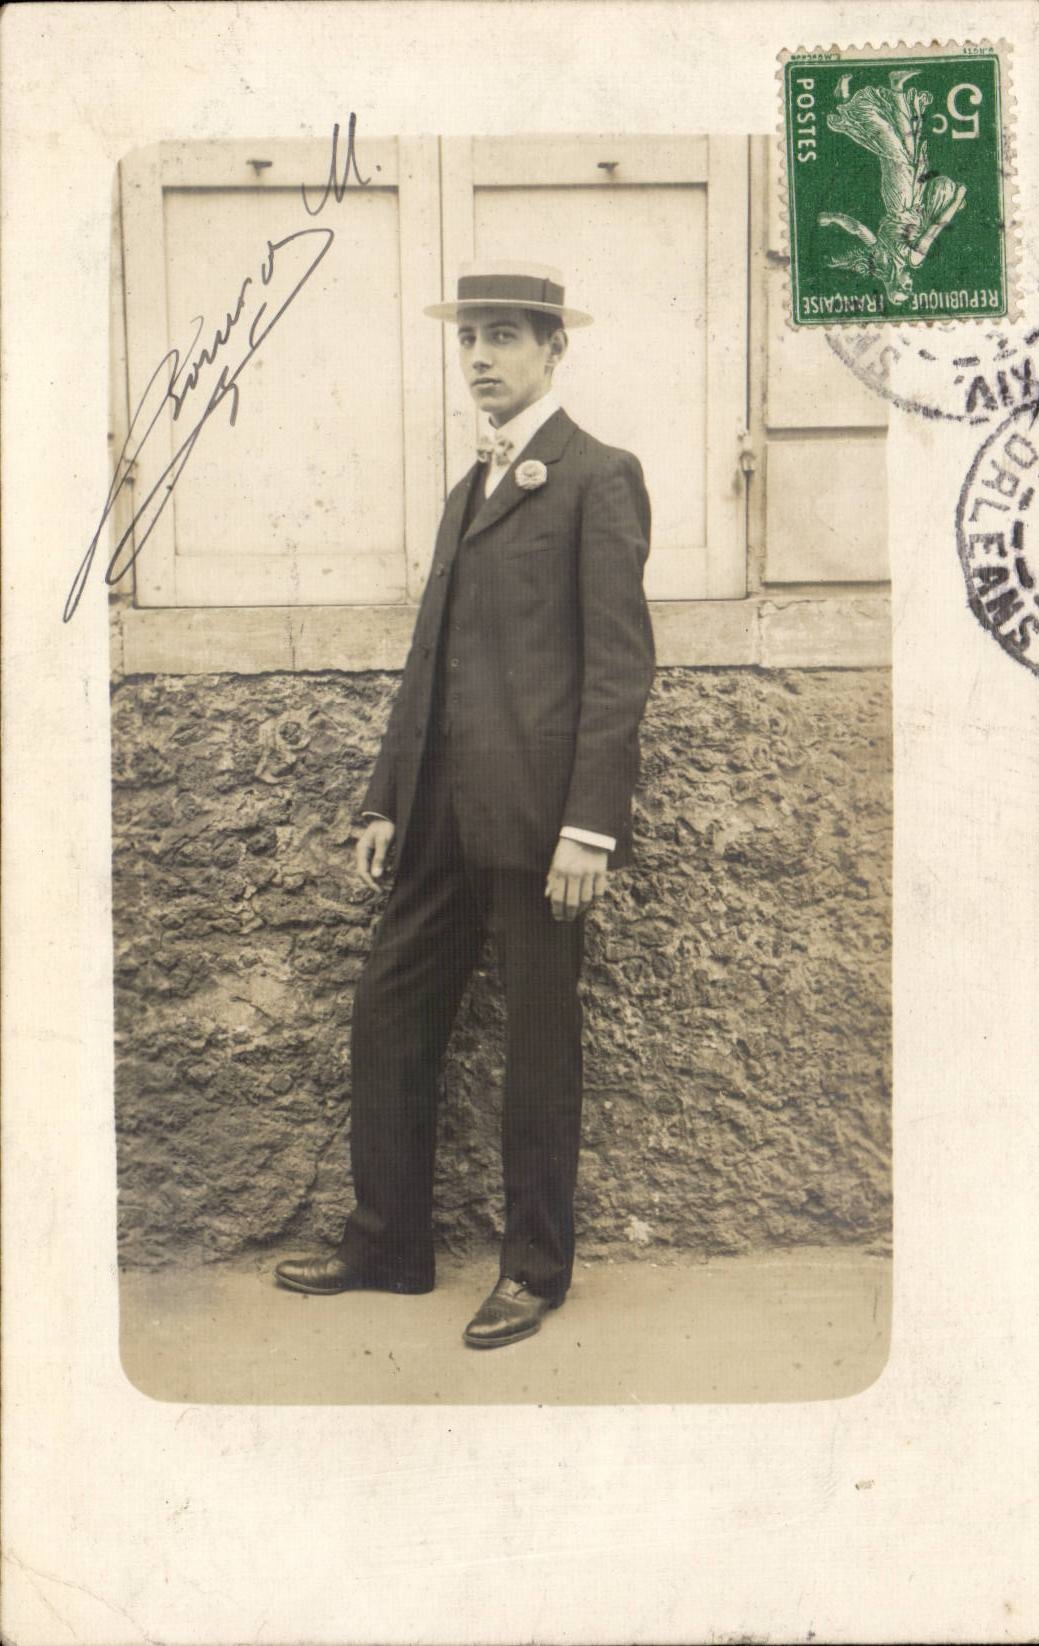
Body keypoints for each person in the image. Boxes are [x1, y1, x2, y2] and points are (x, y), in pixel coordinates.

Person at [275, 260, 655, 1348]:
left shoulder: (597, 475)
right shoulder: (466, 490)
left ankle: (534, 1269)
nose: (479, 357)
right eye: (467, 339)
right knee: (387, 1012)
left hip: (541, 826)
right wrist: (387, 799)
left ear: (551, 350)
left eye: (501, 337)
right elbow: (425, 658)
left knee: (537, 1042)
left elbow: (618, 665)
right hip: (438, 814)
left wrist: (590, 823)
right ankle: (389, 1243)